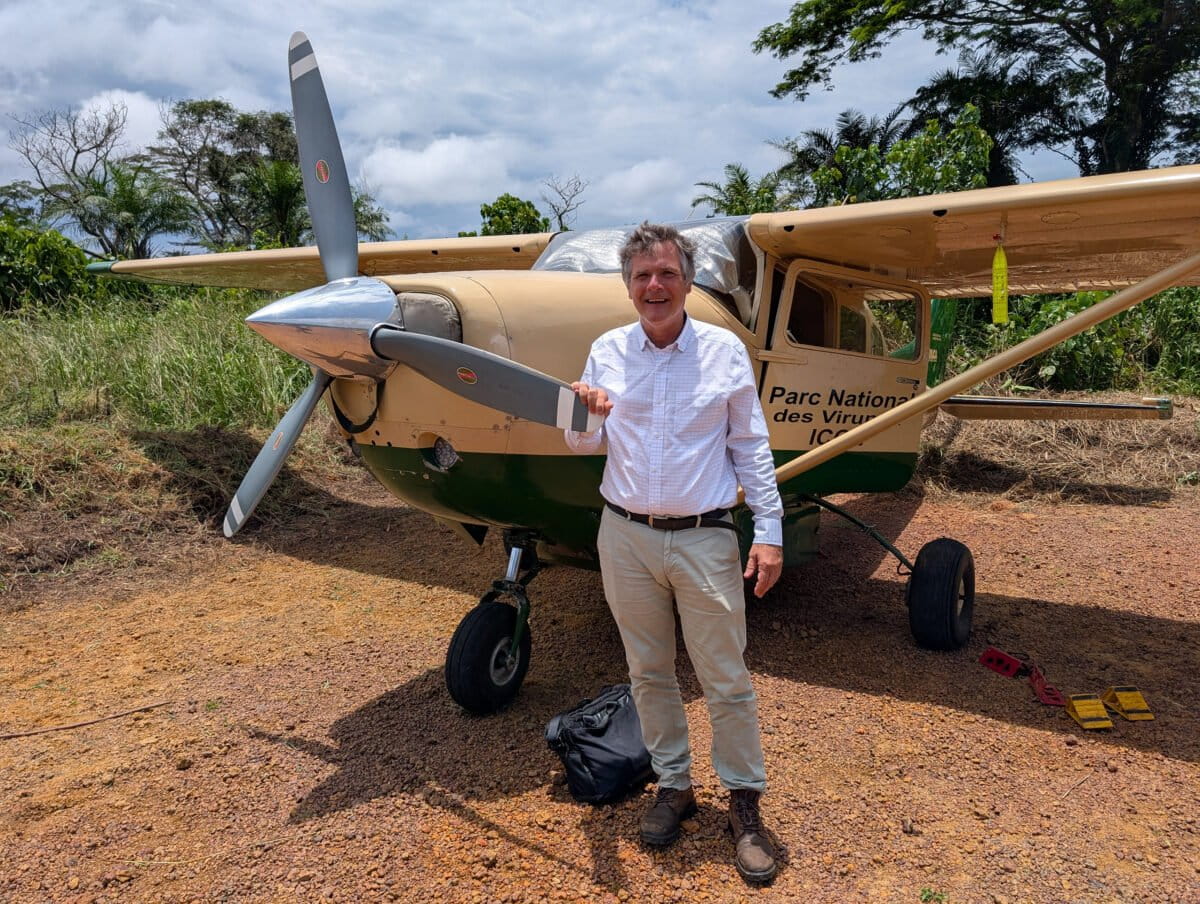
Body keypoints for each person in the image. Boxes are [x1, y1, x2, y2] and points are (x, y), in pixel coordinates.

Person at [564, 222, 784, 884]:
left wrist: (769, 531)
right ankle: (674, 786)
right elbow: (580, 444)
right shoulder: (606, 349)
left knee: (726, 677)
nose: (653, 286)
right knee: (649, 671)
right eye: (641, 276)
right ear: (628, 285)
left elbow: (751, 444)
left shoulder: (723, 351)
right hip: (624, 533)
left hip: (705, 534)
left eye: (666, 274)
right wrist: (585, 412)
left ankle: (744, 806)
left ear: (686, 281)